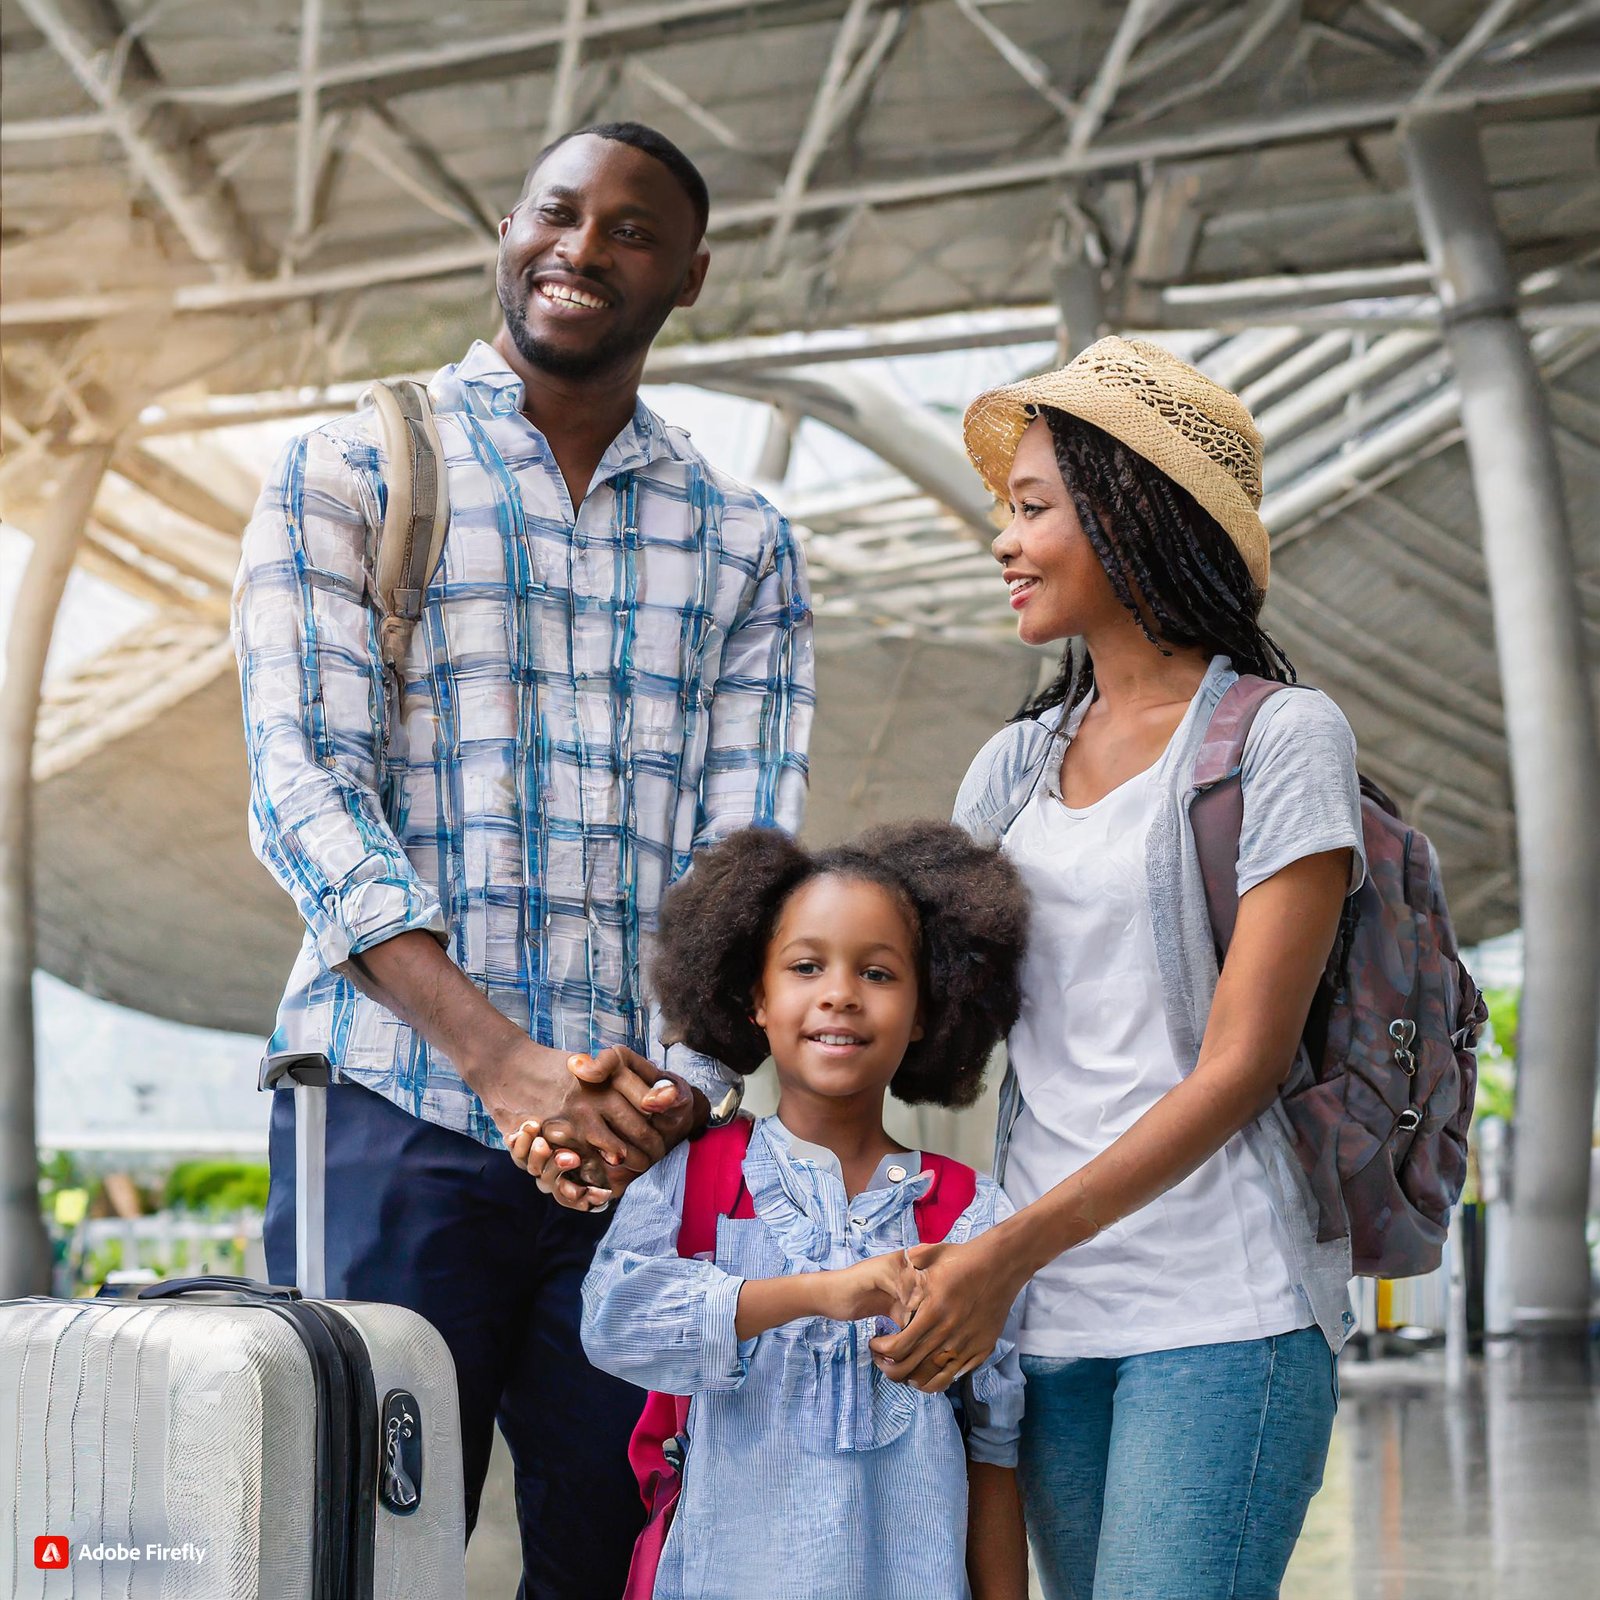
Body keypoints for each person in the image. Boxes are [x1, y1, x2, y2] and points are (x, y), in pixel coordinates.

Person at [232, 122, 814, 1597]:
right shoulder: (352, 467)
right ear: (506, 226)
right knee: (354, 1546)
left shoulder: (741, 539)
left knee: (629, 1555)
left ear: (687, 275)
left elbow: (744, 848)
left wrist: (667, 1091)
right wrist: (504, 1065)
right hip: (391, 1113)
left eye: (631, 229)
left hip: (643, 1151)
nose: (583, 245)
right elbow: (306, 790)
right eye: (558, 211)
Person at [869, 338, 1365, 1599]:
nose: (1004, 539)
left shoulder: (1280, 741)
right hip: (1046, 1319)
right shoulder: (1009, 769)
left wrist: (1003, 1253)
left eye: (1033, 508)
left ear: (1134, 513)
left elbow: (1241, 1065)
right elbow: (924, 1028)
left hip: (1224, 1309)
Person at [567, 823, 1031, 1600]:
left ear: (928, 1009)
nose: (840, 993)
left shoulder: (969, 1216)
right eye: (806, 966)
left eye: (878, 973)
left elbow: (993, 1453)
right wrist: (823, 1292)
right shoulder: (694, 1178)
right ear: (755, 997)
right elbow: (614, 1323)